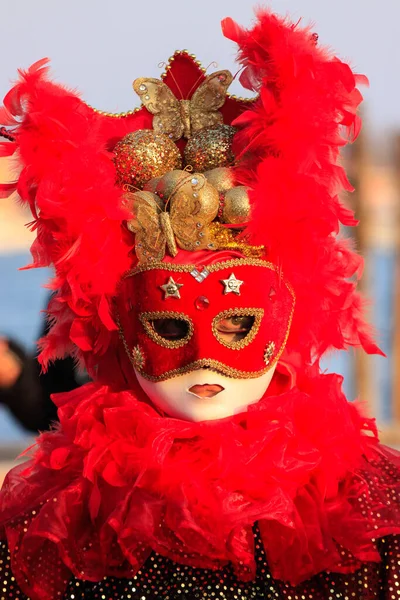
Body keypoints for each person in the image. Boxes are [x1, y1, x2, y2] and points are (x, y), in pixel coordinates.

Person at [0, 8, 399, 600]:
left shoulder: (364, 504)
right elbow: (47, 392)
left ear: (290, 310)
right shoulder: (59, 519)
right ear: (115, 322)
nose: (203, 355)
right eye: (167, 322)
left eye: (237, 320)